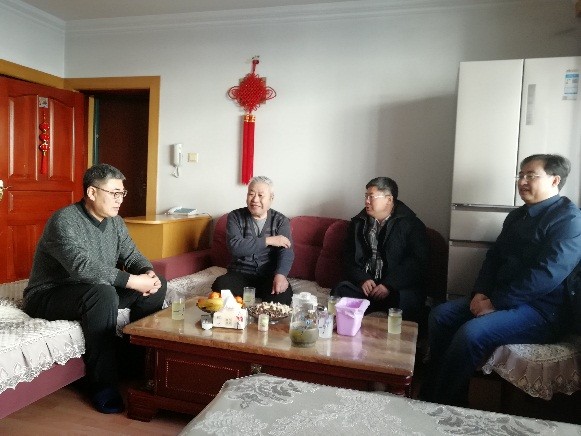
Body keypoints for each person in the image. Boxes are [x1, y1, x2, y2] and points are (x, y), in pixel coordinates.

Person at [421, 154, 581, 407]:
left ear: (555, 180)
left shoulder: (569, 220)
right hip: (500, 298)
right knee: (440, 315)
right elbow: (494, 258)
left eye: (531, 175)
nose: (522, 181)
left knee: (472, 333)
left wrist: (495, 303)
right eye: (521, 175)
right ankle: (446, 393)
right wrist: (480, 292)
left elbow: (547, 275)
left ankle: (439, 404)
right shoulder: (517, 216)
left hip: (541, 310)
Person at [23, 164, 166, 414]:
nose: (120, 199)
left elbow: (132, 255)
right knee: (103, 293)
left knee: (158, 285)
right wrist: (132, 281)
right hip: (49, 294)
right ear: (91, 192)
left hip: (92, 290)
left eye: (122, 193)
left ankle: (134, 362)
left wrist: (147, 272)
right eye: (114, 193)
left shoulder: (115, 223)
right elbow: (81, 267)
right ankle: (103, 385)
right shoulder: (64, 220)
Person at [331, 177, 429, 321]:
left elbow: (417, 262)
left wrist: (389, 285)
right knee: (340, 291)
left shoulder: (412, 224)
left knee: (409, 301)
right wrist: (362, 279)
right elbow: (348, 256)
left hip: (395, 289)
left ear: (389, 199)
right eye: (366, 196)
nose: (366, 201)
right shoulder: (359, 223)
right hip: (366, 288)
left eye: (371, 197)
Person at [212, 176, 294, 306]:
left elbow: (286, 251)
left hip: (269, 276)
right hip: (240, 274)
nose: (255, 199)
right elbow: (235, 247)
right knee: (220, 286)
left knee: (282, 297)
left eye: (260, 195)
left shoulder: (280, 220)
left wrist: (281, 274)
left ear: (271, 198)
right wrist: (268, 240)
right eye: (251, 194)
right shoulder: (235, 217)